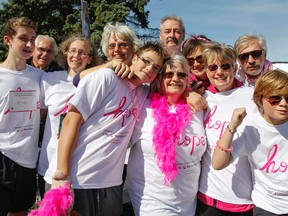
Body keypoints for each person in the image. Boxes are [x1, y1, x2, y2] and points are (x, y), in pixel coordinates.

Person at [44, 41, 168, 215]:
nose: (149, 68)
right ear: (133, 59)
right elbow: (71, 119)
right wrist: (62, 174)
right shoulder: (107, 77)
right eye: (145, 61)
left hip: (110, 183)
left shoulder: (144, 93)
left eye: (155, 67)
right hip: (77, 179)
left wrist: (190, 94)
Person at [126, 54, 207, 215]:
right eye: (169, 74)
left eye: (181, 74)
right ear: (159, 78)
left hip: (189, 203)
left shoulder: (198, 107)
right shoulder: (143, 105)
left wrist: (190, 94)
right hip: (152, 201)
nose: (175, 78)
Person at [212, 69, 288, 215]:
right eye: (275, 98)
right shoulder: (251, 127)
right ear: (260, 99)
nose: (283, 103)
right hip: (268, 208)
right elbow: (218, 163)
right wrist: (232, 127)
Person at [195, 43, 257, 216]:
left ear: (235, 67)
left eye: (225, 66)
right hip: (208, 196)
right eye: (213, 67)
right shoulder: (203, 98)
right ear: (206, 71)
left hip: (244, 199)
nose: (219, 72)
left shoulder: (251, 96)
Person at [37, 35, 100, 199]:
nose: (76, 57)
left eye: (82, 53)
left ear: (90, 58)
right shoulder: (49, 80)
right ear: (65, 53)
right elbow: (39, 115)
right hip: (49, 162)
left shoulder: (97, 83)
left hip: (83, 167)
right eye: (72, 51)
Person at [0, 17, 43, 216]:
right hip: (2, 156)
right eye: (23, 38)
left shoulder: (39, 77)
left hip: (28, 160)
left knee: (21, 212)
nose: (29, 44)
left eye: (33, 39)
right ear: (8, 40)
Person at [76, 21, 143, 82]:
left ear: (134, 47)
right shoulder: (104, 72)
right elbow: (77, 80)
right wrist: (111, 64)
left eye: (122, 45)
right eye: (112, 45)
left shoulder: (141, 73)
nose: (116, 49)